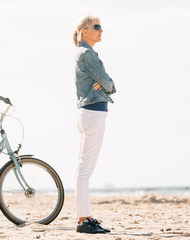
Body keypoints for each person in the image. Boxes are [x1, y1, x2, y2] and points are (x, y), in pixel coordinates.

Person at [73, 16, 116, 234]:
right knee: (85, 170)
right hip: (92, 114)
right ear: (84, 32)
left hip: (91, 113)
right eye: (96, 27)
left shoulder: (87, 54)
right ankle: (83, 220)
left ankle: (86, 216)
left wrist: (106, 84)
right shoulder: (87, 54)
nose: (101, 30)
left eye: (101, 27)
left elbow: (106, 83)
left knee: (85, 169)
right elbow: (108, 82)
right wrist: (107, 85)